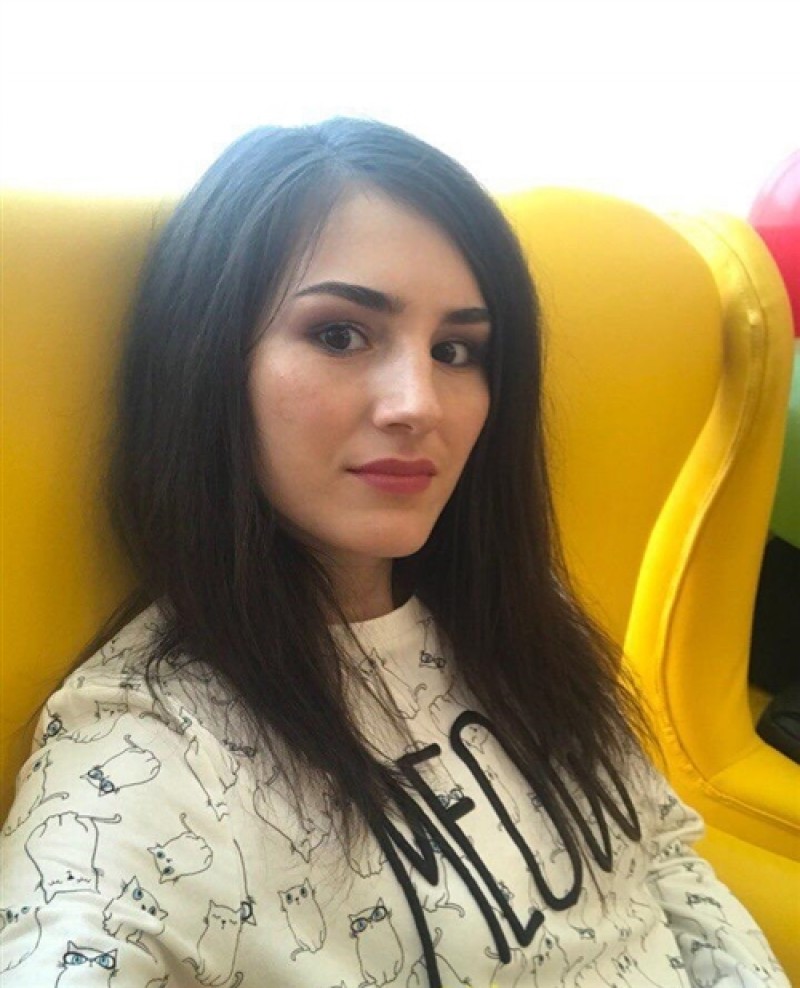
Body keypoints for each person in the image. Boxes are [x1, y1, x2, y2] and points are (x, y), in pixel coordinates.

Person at [0, 119, 788, 988]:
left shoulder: (521, 618)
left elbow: (662, 859)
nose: (421, 404)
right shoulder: (150, 743)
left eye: (457, 351)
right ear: (210, 360)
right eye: (340, 335)